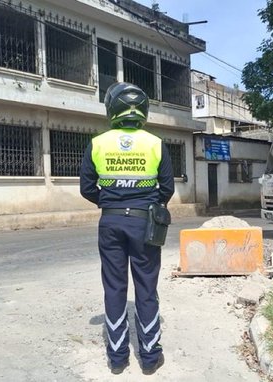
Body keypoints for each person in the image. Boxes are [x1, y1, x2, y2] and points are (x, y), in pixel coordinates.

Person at [80, 82, 174, 375]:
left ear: (112, 108)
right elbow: (167, 189)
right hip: (145, 223)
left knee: (114, 287)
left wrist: (110, 202)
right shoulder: (156, 143)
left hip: (110, 222)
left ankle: (118, 359)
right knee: (146, 287)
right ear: (142, 110)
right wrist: (146, 203)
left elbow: (86, 188)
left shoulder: (98, 143)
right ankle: (149, 359)